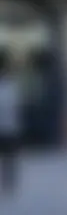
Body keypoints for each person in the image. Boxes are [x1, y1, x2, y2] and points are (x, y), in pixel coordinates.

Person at [0, 53, 19, 195]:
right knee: (9, 158)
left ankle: (9, 182)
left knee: (9, 158)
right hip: (9, 128)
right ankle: (9, 182)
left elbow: (15, 108)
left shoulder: (11, 88)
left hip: (8, 128)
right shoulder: (12, 88)